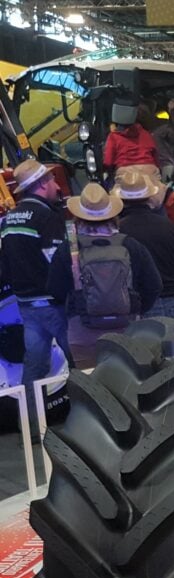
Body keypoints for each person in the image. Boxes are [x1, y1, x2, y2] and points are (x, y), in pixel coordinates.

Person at [47, 183, 161, 368]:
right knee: (129, 377)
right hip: (127, 330)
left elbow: (55, 290)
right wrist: (134, 308)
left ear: (78, 217)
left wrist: (77, 305)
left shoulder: (68, 250)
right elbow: (154, 286)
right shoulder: (130, 245)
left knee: (88, 380)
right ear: (112, 215)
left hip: (82, 332)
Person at [0, 159, 73, 441]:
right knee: (78, 362)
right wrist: (67, 294)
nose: (56, 184)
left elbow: (6, 265)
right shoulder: (47, 217)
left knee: (34, 366)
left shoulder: (9, 220)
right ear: (41, 184)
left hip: (26, 305)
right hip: (53, 303)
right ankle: (89, 421)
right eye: (51, 180)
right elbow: (57, 261)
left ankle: (30, 428)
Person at [112, 171, 174, 318]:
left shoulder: (118, 232)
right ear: (149, 197)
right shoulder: (169, 226)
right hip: (171, 302)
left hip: (136, 304)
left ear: (121, 199)